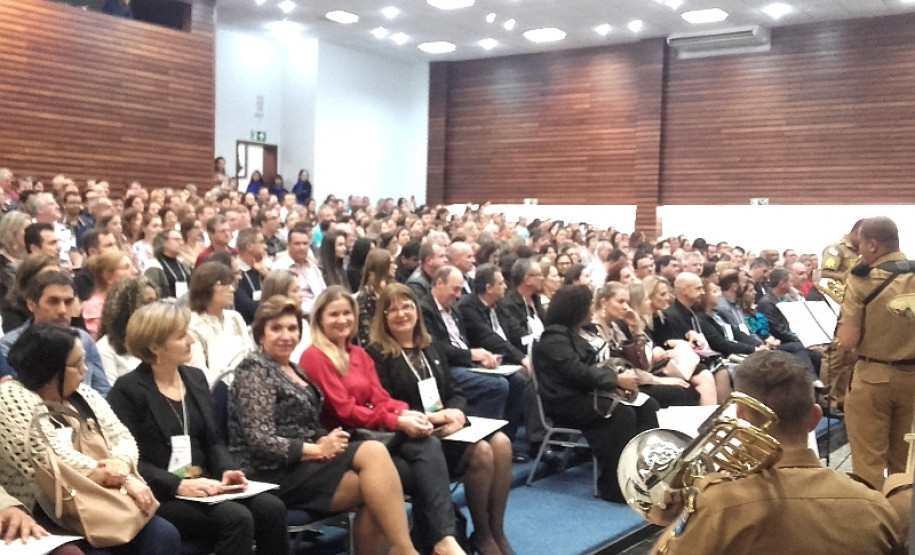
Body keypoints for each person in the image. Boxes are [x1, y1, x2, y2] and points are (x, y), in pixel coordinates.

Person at [653, 350, 903, 554]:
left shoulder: (717, 504)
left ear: (740, 415)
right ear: (815, 417)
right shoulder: (873, 506)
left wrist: (683, 513)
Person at [228, 296, 420, 555]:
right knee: (373, 456)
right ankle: (405, 550)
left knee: (376, 492)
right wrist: (314, 449)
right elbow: (260, 440)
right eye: (276, 329)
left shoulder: (293, 368)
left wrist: (326, 439)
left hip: (304, 462)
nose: (286, 336)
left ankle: (400, 549)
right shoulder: (254, 370)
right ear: (260, 334)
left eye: (292, 328)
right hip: (271, 472)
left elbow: (306, 423)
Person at [107, 302, 288, 555]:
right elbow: (130, 461)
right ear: (155, 346)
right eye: (181, 336)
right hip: (162, 491)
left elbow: (214, 441)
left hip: (204, 483)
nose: (191, 340)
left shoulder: (195, 379)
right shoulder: (127, 390)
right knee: (236, 518)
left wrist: (227, 470)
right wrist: (178, 485)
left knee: (272, 508)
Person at [301, 286, 466, 555]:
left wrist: (409, 413)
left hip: (375, 437)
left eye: (346, 313)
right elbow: (345, 412)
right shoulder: (314, 356)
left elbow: (381, 398)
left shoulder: (358, 353)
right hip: (345, 443)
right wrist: (396, 421)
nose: (342, 320)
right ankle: (425, 544)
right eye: (334, 314)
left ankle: (441, 540)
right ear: (319, 319)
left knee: (425, 447)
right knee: (414, 466)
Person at [0, 323, 181, 554]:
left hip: (101, 498)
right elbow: (50, 458)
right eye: (76, 365)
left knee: (163, 534)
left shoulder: (84, 394)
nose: (85, 370)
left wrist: (122, 462)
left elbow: (121, 436)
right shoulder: (11, 398)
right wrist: (120, 477)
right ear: (49, 370)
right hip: (49, 506)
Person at [368, 283, 515, 555]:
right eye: (393, 310)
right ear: (383, 316)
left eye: (407, 306)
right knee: (482, 451)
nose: (401, 314)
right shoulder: (377, 355)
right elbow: (388, 406)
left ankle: (496, 530)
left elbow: (454, 392)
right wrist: (437, 417)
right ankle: (483, 537)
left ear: (417, 311)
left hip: (449, 428)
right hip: (415, 439)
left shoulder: (430, 347)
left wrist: (458, 413)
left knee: (503, 444)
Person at [533, 285, 659, 503]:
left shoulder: (577, 334)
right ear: (576, 310)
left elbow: (592, 369)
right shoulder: (554, 337)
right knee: (621, 414)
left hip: (586, 393)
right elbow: (576, 371)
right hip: (565, 401)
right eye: (588, 306)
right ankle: (615, 486)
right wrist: (616, 380)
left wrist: (615, 379)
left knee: (647, 405)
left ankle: (644, 475)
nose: (592, 310)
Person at [838, 216, 915, 491]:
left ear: (872, 245)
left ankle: (873, 525)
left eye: (859, 245)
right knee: (906, 464)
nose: (858, 251)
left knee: (869, 466)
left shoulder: (863, 280)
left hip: (873, 379)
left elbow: (848, 339)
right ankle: (904, 523)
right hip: (912, 381)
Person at [589, 282, 701, 408]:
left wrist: (637, 330)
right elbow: (612, 366)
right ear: (604, 303)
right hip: (612, 384)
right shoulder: (594, 329)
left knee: (687, 390)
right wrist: (658, 380)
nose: (626, 307)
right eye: (620, 302)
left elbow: (639, 365)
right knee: (677, 392)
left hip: (632, 379)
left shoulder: (616, 327)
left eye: (627, 302)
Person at [0, 271, 110, 395]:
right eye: (53, 302)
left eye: (68, 302)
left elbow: (102, 389)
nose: (62, 310)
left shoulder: (84, 339)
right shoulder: (10, 344)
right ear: (31, 304)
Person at [187, 261, 253, 385]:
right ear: (207, 287)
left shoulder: (235, 318)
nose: (232, 289)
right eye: (225, 284)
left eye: (231, 284)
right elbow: (198, 372)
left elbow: (249, 355)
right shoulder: (192, 325)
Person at [97, 277, 159, 386]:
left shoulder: (161, 341)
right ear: (126, 309)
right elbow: (110, 393)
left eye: (155, 302)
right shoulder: (105, 349)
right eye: (146, 303)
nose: (155, 309)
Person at [83, 252, 136, 339]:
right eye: (126, 267)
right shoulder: (95, 306)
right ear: (108, 277)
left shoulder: (129, 300)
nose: (135, 271)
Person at [355, 248, 395, 348]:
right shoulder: (364, 298)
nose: (396, 266)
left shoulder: (391, 289)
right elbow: (366, 337)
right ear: (382, 266)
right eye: (391, 263)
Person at [144, 229, 191, 299]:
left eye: (182, 240)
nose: (181, 243)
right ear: (164, 242)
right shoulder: (154, 267)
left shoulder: (184, 265)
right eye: (176, 239)